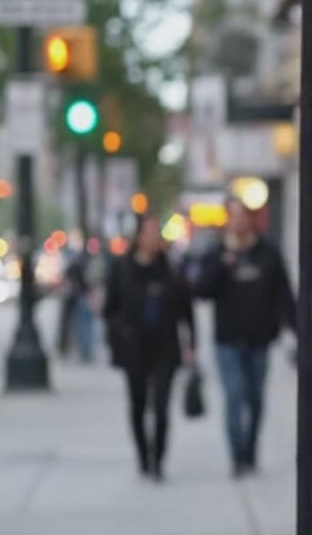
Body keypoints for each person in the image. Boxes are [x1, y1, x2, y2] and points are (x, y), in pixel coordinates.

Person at [196, 197, 295, 476]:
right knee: (234, 395)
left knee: (255, 399)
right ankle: (237, 456)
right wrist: (225, 262)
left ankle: (251, 451)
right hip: (228, 340)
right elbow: (202, 290)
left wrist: (296, 330)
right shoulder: (217, 253)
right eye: (233, 216)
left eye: (242, 216)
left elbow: (284, 294)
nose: (238, 222)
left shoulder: (268, 253)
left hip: (260, 339)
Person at [104, 213, 194, 480]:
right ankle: (143, 456)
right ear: (139, 236)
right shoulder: (122, 269)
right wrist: (119, 333)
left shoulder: (171, 269)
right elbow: (110, 308)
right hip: (134, 348)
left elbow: (185, 310)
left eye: (158, 233)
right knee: (138, 405)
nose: (154, 238)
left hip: (165, 346)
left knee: (163, 408)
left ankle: (158, 460)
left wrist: (192, 343)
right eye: (149, 232)